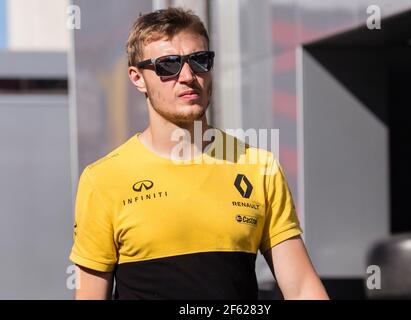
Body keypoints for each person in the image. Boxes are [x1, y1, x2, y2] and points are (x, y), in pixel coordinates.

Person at [69, 7, 329, 300]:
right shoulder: (103, 179)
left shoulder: (259, 167)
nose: (188, 76)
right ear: (137, 77)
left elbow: (303, 289)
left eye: (200, 61)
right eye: (168, 65)